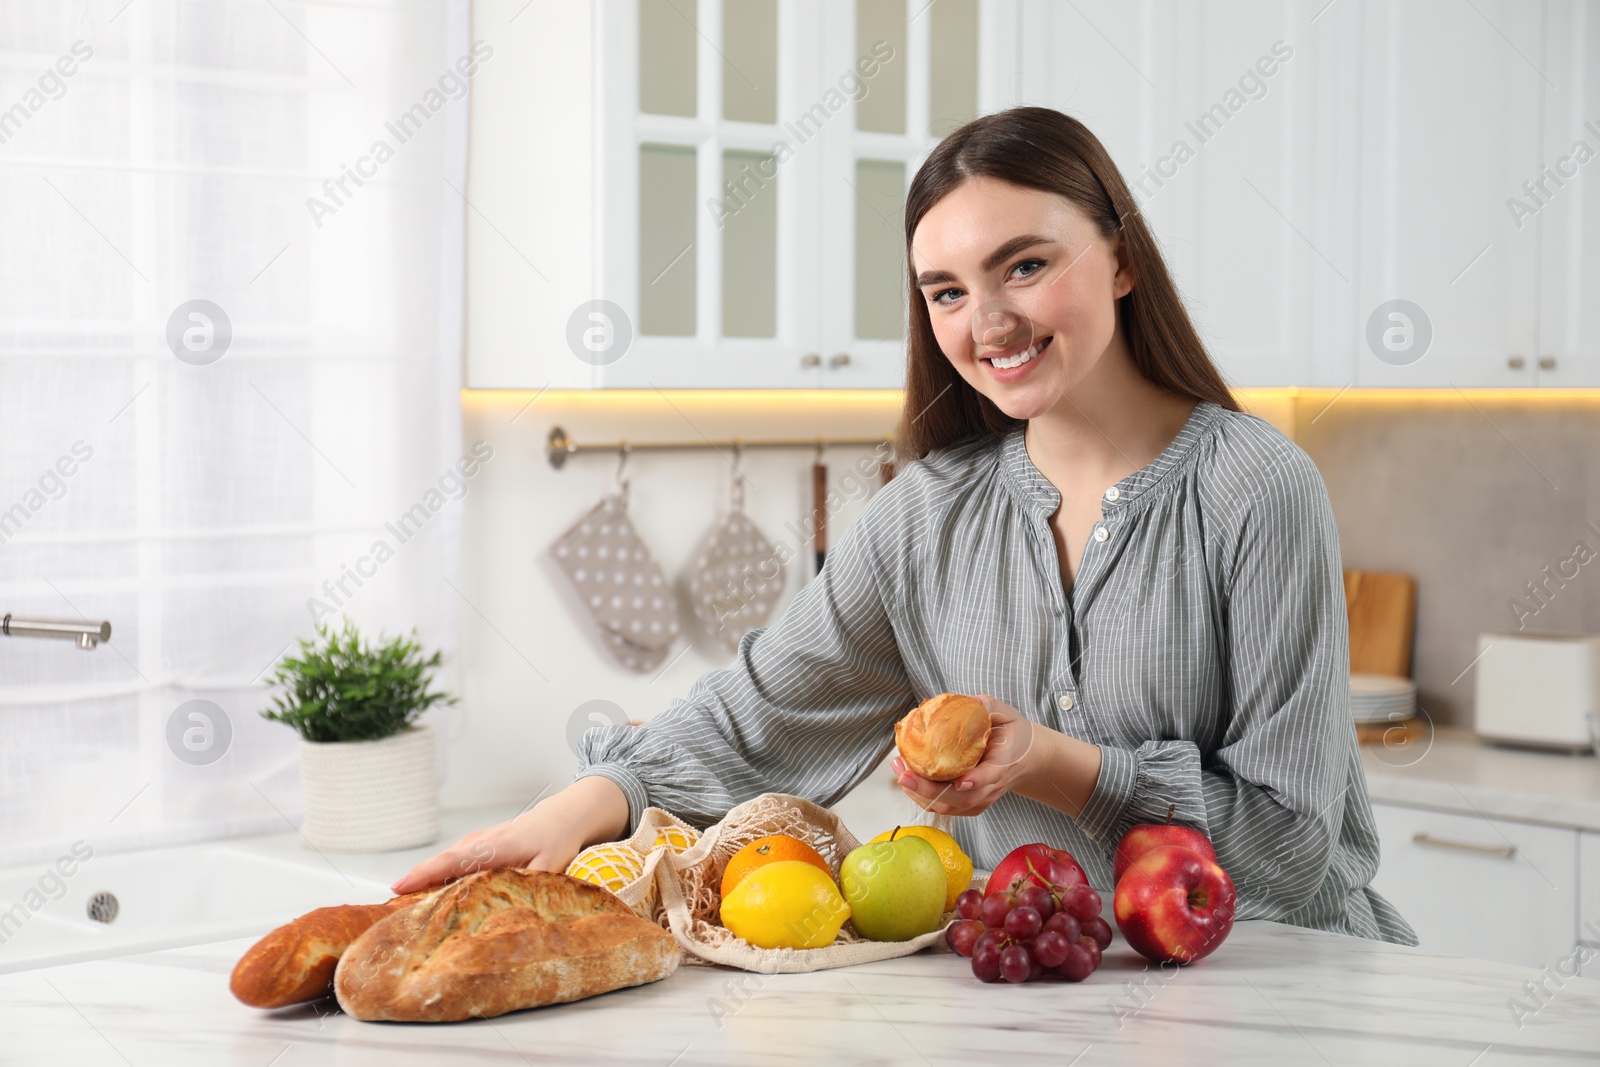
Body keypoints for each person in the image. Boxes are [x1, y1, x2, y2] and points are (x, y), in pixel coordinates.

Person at [394, 106, 1415, 945]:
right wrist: (572, 807)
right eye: (945, 291)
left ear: (1120, 261)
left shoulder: (1257, 488)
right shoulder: (924, 519)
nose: (987, 323)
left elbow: (1285, 844)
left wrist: (1052, 760)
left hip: (1289, 985)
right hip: (1055, 991)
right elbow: (752, 722)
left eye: (1023, 266)